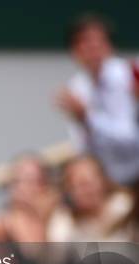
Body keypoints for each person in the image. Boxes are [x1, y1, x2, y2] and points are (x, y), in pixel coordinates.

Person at [56, 13, 139, 187]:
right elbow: (82, 146)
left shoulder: (130, 76)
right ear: (75, 51)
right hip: (106, 185)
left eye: (98, 42)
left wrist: (88, 119)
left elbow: (131, 139)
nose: (93, 49)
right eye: (85, 43)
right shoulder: (77, 87)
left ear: (109, 46)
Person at [47, 155, 132, 242]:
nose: (87, 190)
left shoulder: (127, 205)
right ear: (68, 191)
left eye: (90, 181)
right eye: (79, 185)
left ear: (103, 180)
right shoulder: (65, 223)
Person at [0, 154, 58, 243]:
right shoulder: (2, 225)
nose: (20, 187)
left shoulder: (55, 217)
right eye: (16, 180)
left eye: (30, 181)